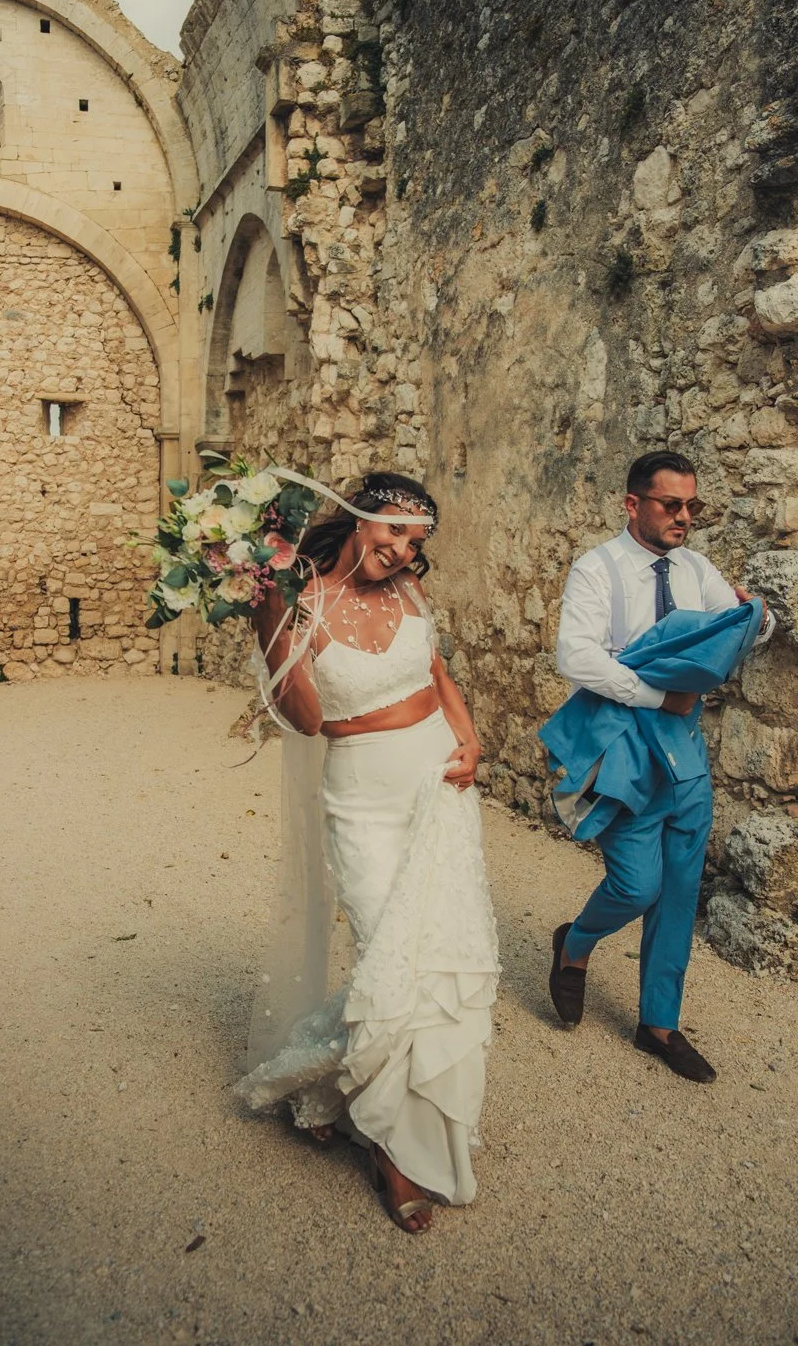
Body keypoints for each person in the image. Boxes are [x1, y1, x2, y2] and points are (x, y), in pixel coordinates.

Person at [235, 471, 499, 1233]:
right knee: (392, 961)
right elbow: (306, 719)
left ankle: (355, 1107)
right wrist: (269, 617)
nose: (404, 550)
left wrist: (471, 741)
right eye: (394, 531)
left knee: (436, 960)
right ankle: (390, 1148)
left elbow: (438, 674)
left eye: (417, 541)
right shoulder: (299, 600)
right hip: (363, 804)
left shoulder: (411, 592)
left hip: (439, 794)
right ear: (357, 520)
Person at [548, 450, 774, 1081]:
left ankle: (659, 1024)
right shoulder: (597, 568)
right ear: (633, 503)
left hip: (686, 750)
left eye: (691, 506)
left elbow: (734, 627)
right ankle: (574, 943)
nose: (684, 516)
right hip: (624, 746)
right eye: (671, 504)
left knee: (678, 891)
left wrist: (757, 619)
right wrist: (656, 695)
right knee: (635, 885)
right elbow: (576, 657)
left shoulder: (697, 568)